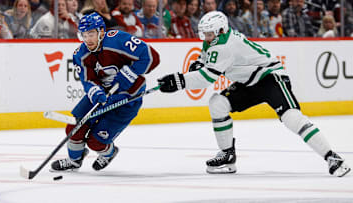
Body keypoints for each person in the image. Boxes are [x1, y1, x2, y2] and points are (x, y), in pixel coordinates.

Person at [157, 11, 351, 177]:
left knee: (291, 118)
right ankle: (227, 155)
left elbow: (207, 78)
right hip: (249, 82)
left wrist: (179, 81)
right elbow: (204, 60)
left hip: (270, 78)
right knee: (218, 103)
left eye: (209, 34)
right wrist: (196, 65)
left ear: (221, 31)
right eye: (205, 34)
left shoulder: (225, 45)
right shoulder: (215, 40)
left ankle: (332, 157)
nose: (206, 38)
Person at [50, 12, 160, 172]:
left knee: (96, 142)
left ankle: (109, 153)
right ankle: (74, 160)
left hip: (128, 98)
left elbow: (151, 57)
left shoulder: (118, 40)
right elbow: (87, 80)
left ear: (101, 31)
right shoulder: (80, 55)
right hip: (103, 95)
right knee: (73, 128)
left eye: (91, 34)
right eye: (84, 35)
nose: (88, 40)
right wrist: (95, 92)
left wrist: (129, 74)